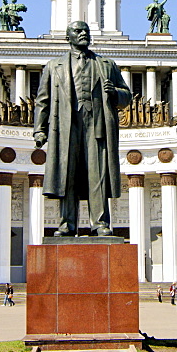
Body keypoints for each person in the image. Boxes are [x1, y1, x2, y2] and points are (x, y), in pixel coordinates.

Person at [33, 21, 132, 237]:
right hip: (65, 126)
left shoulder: (106, 64)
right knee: (67, 174)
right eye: (78, 31)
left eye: (86, 31)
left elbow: (127, 97)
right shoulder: (53, 66)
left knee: (97, 174)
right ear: (68, 37)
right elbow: (43, 100)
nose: (83, 34)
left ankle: (100, 223)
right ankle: (67, 224)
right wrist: (39, 129)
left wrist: (115, 92)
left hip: (97, 125)